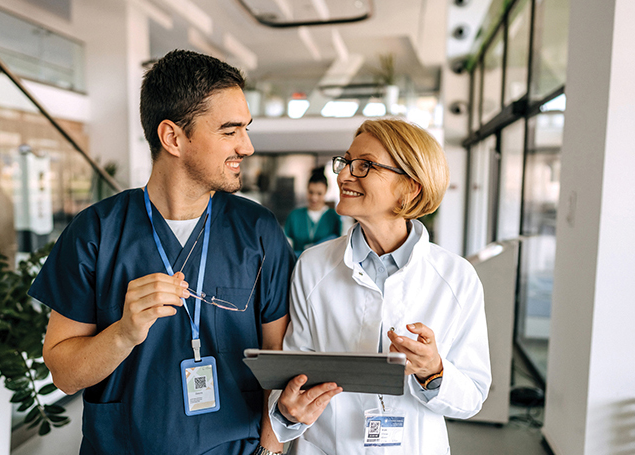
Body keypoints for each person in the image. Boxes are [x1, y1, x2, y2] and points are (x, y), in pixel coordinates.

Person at [29, 50, 295, 455]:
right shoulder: (95, 233)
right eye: (230, 131)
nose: (247, 146)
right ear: (173, 137)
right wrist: (122, 334)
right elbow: (64, 374)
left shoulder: (258, 232)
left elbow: (279, 364)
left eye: (246, 128)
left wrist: (272, 453)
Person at [267, 119, 491, 454]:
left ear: (410, 187)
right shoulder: (312, 267)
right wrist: (288, 411)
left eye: (365, 166)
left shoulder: (457, 278)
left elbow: (472, 395)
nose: (343, 175)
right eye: (346, 162)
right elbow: (297, 370)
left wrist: (433, 371)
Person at [283, 167, 341, 257]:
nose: (314, 198)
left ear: (326, 192)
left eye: (319, 193)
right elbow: (287, 244)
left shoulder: (333, 217)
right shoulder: (295, 216)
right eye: (311, 192)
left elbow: (338, 246)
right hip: (298, 263)